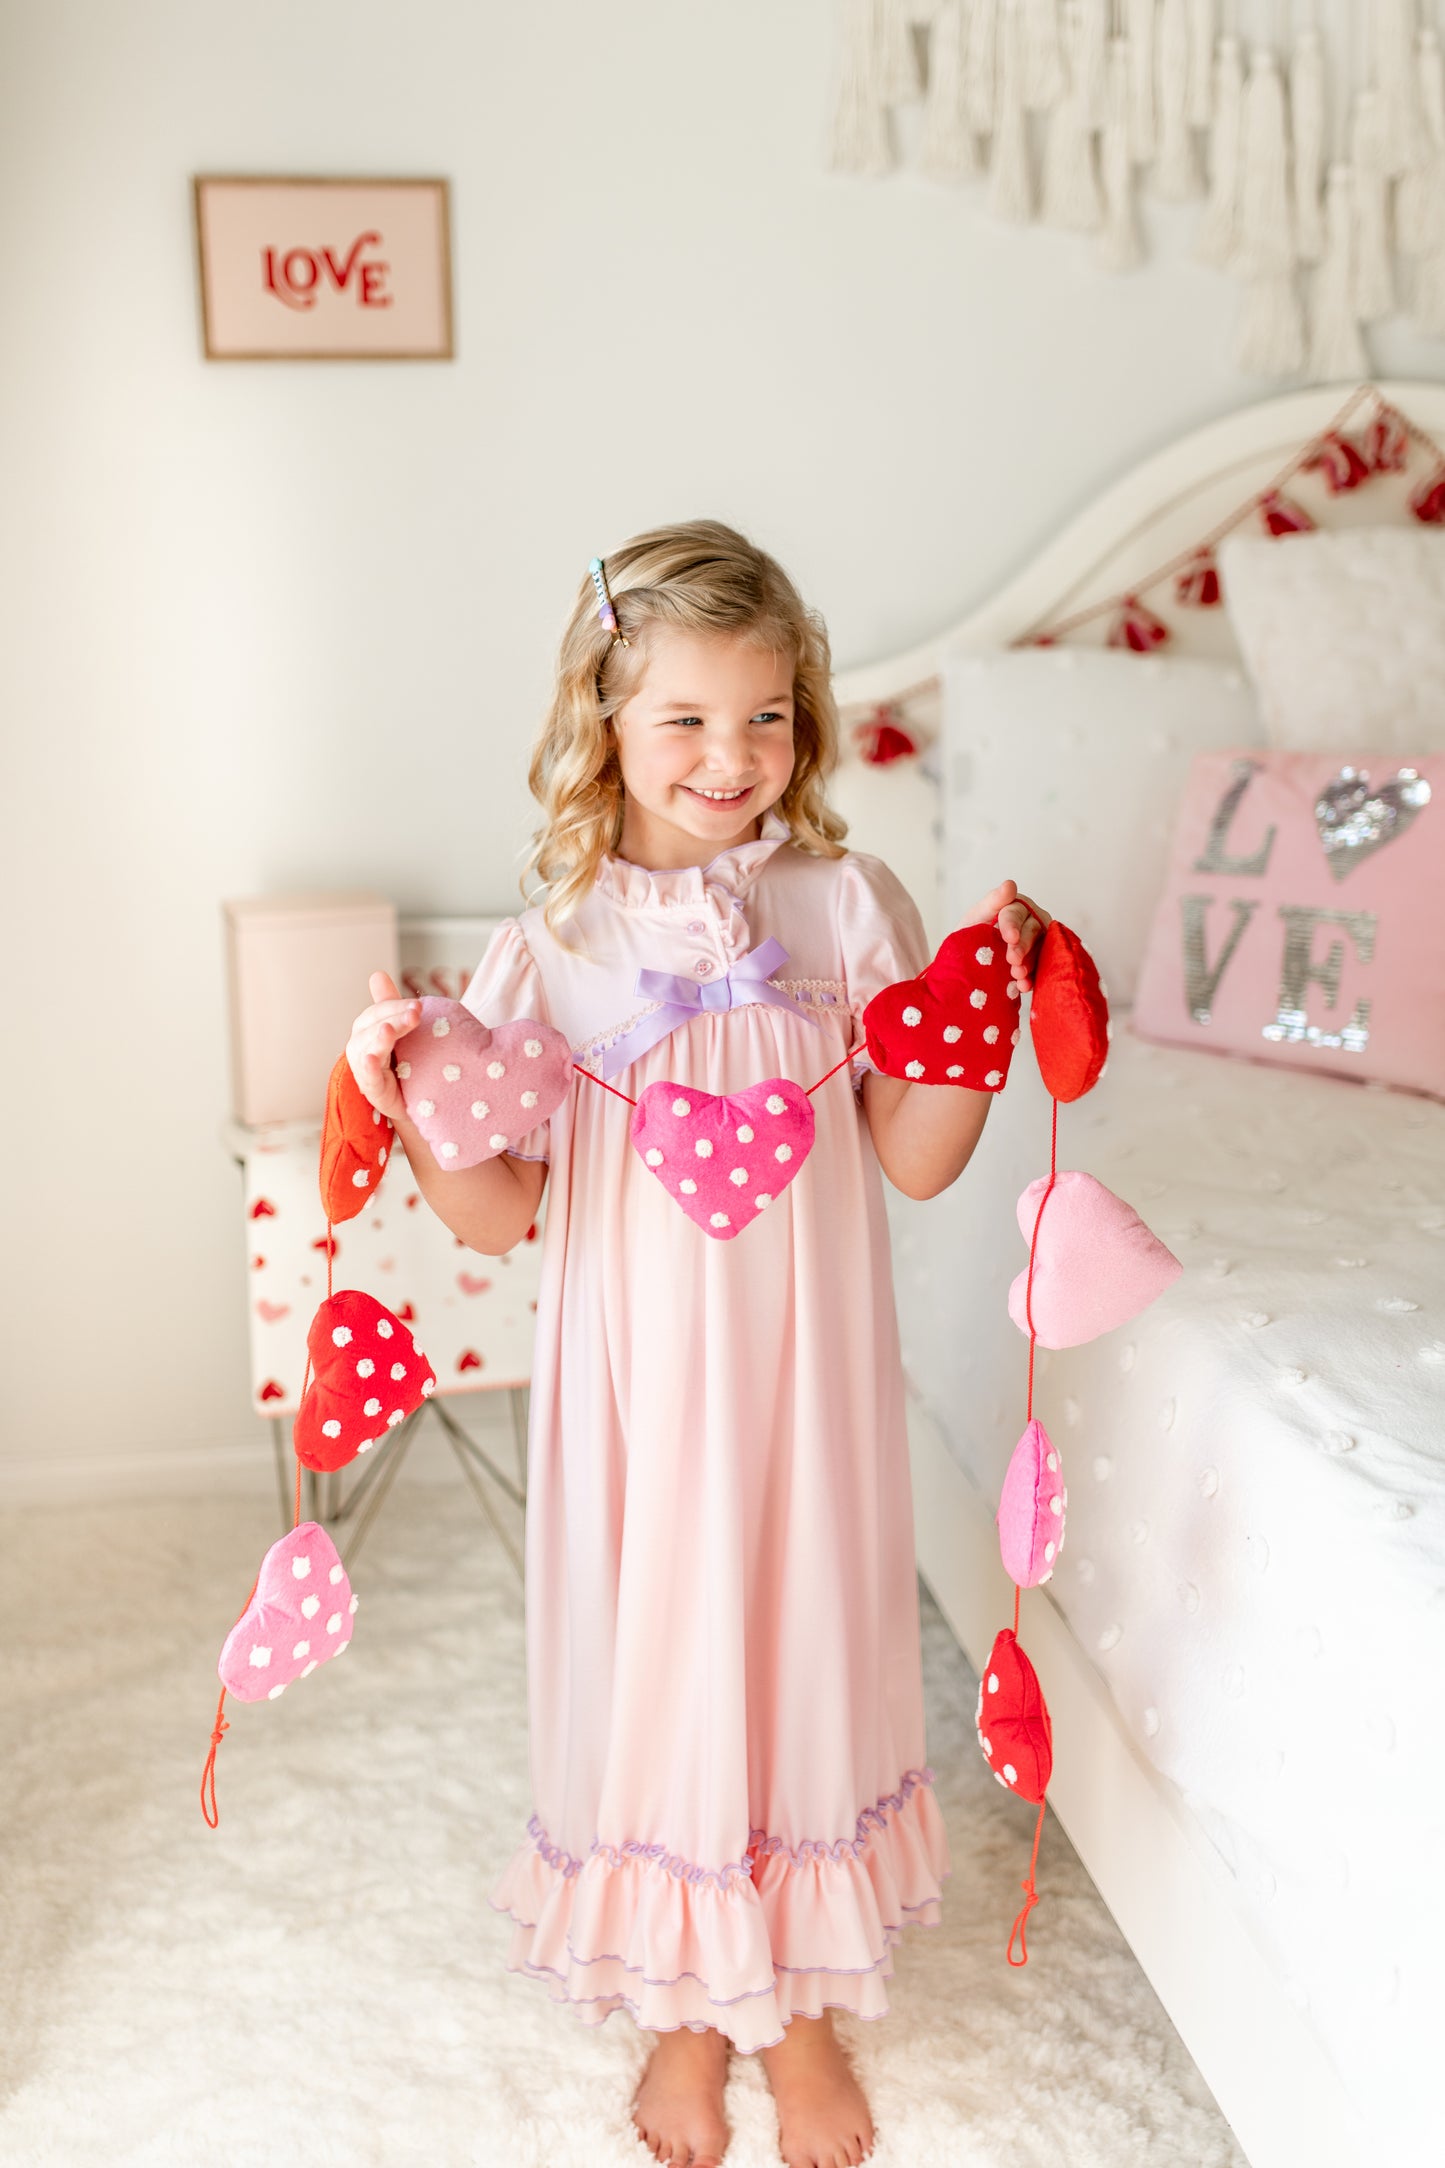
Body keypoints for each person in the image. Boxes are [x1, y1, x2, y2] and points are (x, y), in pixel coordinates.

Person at [346, 522, 1050, 2168]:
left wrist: (976, 1008)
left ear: (804, 721)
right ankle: (677, 2012)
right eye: (685, 720)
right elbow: (500, 1211)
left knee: (799, 1643)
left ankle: (798, 2020)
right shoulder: (556, 942)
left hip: (804, 1389)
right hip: (636, 1393)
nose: (730, 759)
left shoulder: (846, 905)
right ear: (602, 718)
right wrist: (416, 1092)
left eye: (767, 719)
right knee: (658, 1655)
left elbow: (916, 1153)